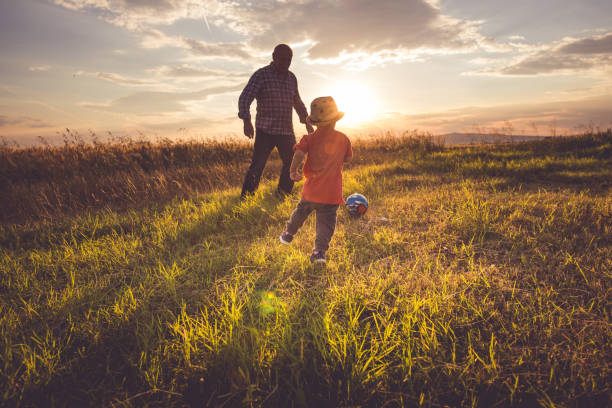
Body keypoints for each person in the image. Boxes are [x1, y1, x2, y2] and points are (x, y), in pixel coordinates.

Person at [279, 96, 352, 264]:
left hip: (311, 191)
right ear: (335, 120)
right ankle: (319, 252)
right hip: (331, 194)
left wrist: (292, 171)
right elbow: (348, 158)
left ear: (314, 122)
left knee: (300, 212)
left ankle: (288, 234)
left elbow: (298, 153)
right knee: (325, 224)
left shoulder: (308, 139)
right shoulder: (343, 139)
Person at [238, 44, 314, 200]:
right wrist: (246, 120)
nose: (285, 63)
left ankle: (282, 195)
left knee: (292, 163)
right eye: (282, 59)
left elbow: (297, 101)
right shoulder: (261, 75)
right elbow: (245, 97)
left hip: (286, 131)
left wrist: (306, 120)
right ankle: (246, 198)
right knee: (257, 166)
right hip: (265, 130)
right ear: (273, 57)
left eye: (289, 60)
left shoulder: (292, 78)